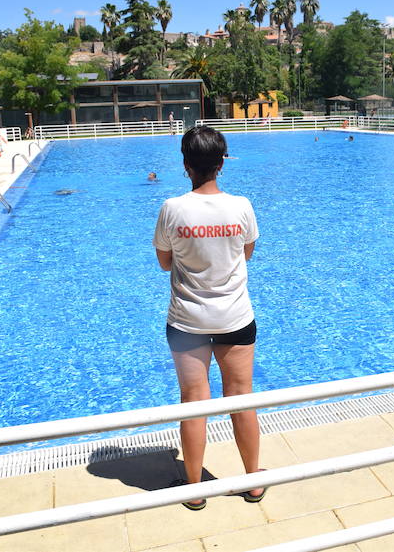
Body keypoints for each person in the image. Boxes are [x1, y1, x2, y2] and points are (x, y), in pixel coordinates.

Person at [153, 126, 263, 511]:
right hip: (235, 316)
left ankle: (195, 490)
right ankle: (253, 481)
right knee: (240, 398)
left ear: (186, 165)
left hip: (187, 321)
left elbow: (164, 261)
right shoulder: (242, 206)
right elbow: (246, 254)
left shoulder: (172, 208)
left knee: (194, 401)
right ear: (221, 163)